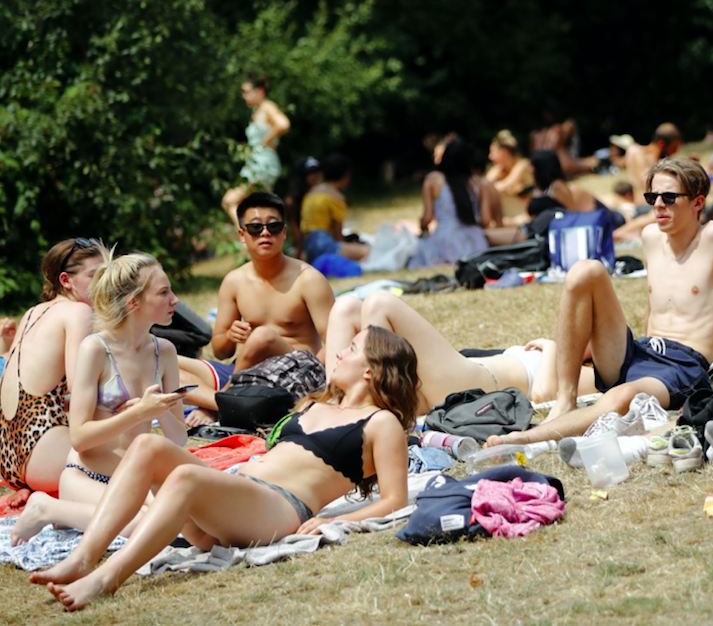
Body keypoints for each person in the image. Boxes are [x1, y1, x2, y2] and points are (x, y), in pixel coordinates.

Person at [30, 326, 420, 611]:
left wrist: (340, 520)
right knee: (149, 444)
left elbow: (395, 499)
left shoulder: (380, 423)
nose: (339, 354)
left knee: (184, 476)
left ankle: (106, 578)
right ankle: (85, 556)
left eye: (351, 349)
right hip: (231, 500)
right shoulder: (316, 404)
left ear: (371, 369)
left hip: (278, 511)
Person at [484, 158, 713, 446]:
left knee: (624, 396)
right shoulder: (650, 237)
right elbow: (653, 306)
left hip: (682, 366)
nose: (658, 205)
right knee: (585, 270)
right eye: (652, 197)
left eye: (669, 198)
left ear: (698, 202)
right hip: (640, 351)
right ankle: (567, 400)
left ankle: (528, 439)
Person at [12, 252, 188, 545]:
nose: (175, 300)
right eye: (164, 292)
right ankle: (48, 507)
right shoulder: (95, 349)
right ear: (134, 302)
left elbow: (179, 439)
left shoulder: (164, 351)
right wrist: (136, 414)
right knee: (148, 524)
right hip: (87, 476)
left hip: (137, 477)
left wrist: (160, 411)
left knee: (183, 517)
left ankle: (70, 514)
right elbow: (80, 438)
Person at [186, 192, 333, 425]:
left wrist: (311, 379)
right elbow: (220, 351)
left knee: (262, 336)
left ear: (284, 232)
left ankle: (222, 404)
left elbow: (334, 340)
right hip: (246, 372)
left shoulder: (309, 280)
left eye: (273, 227)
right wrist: (230, 337)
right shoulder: (234, 281)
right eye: (255, 228)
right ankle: (221, 400)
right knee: (162, 358)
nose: (265, 233)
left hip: (295, 374)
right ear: (242, 235)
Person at [325, 293, 597, 411]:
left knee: (378, 303)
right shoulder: (560, 357)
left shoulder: (586, 374)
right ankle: (334, 403)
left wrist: (550, 348)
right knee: (345, 307)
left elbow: (544, 396)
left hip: (466, 385)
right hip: (457, 375)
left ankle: (367, 405)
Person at [0, 239, 107, 494]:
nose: (105, 283)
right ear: (66, 280)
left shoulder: (32, 312)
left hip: (8, 457)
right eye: (95, 275)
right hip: (42, 451)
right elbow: (80, 388)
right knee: (139, 464)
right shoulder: (79, 312)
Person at [408, 139, 495, 269]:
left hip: (444, 239)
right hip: (474, 242)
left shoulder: (434, 180)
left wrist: (423, 229)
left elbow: (427, 217)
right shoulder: (478, 183)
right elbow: (486, 220)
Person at [221, 73, 291, 228]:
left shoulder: (268, 107)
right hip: (258, 165)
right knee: (262, 210)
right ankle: (260, 241)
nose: (244, 96)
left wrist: (265, 140)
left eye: (247, 92)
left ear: (260, 91)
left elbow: (283, 123)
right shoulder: (256, 111)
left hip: (261, 166)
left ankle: (247, 239)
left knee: (229, 201)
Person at [300, 154, 370, 265]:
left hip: (308, 247)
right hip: (324, 244)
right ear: (346, 176)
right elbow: (337, 237)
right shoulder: (337, 198)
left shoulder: (311, 192)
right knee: (368, 251)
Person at [624, 123, 682, 208]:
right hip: (645, 206)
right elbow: (648, 184)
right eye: (673, 148)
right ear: (661, 144)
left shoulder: (663, 160)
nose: (674, 152)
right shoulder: (641, 156)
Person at [530, 97, 583, 177]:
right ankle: (541, 164)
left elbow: (558, 142)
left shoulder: (568, 125)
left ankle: (544, 163)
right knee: (536, 136)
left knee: (554, 134)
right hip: (557, 158)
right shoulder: (550, 129)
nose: (546, 115)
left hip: (569, 158)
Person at [284, 156, 324, 260]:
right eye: (312, 173)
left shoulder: (322, 194)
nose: (317, 175)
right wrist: (300, 251)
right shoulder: (292, 201)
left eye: (318, 171)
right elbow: (294, 229)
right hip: (303, 244)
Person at [485, 130, 534, 211]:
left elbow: (505, 186)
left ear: (504, 152)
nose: (490, 157)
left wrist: (492, 186)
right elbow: (485, 187)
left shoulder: (522, 165)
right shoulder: (498, 169)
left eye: (493, 152)